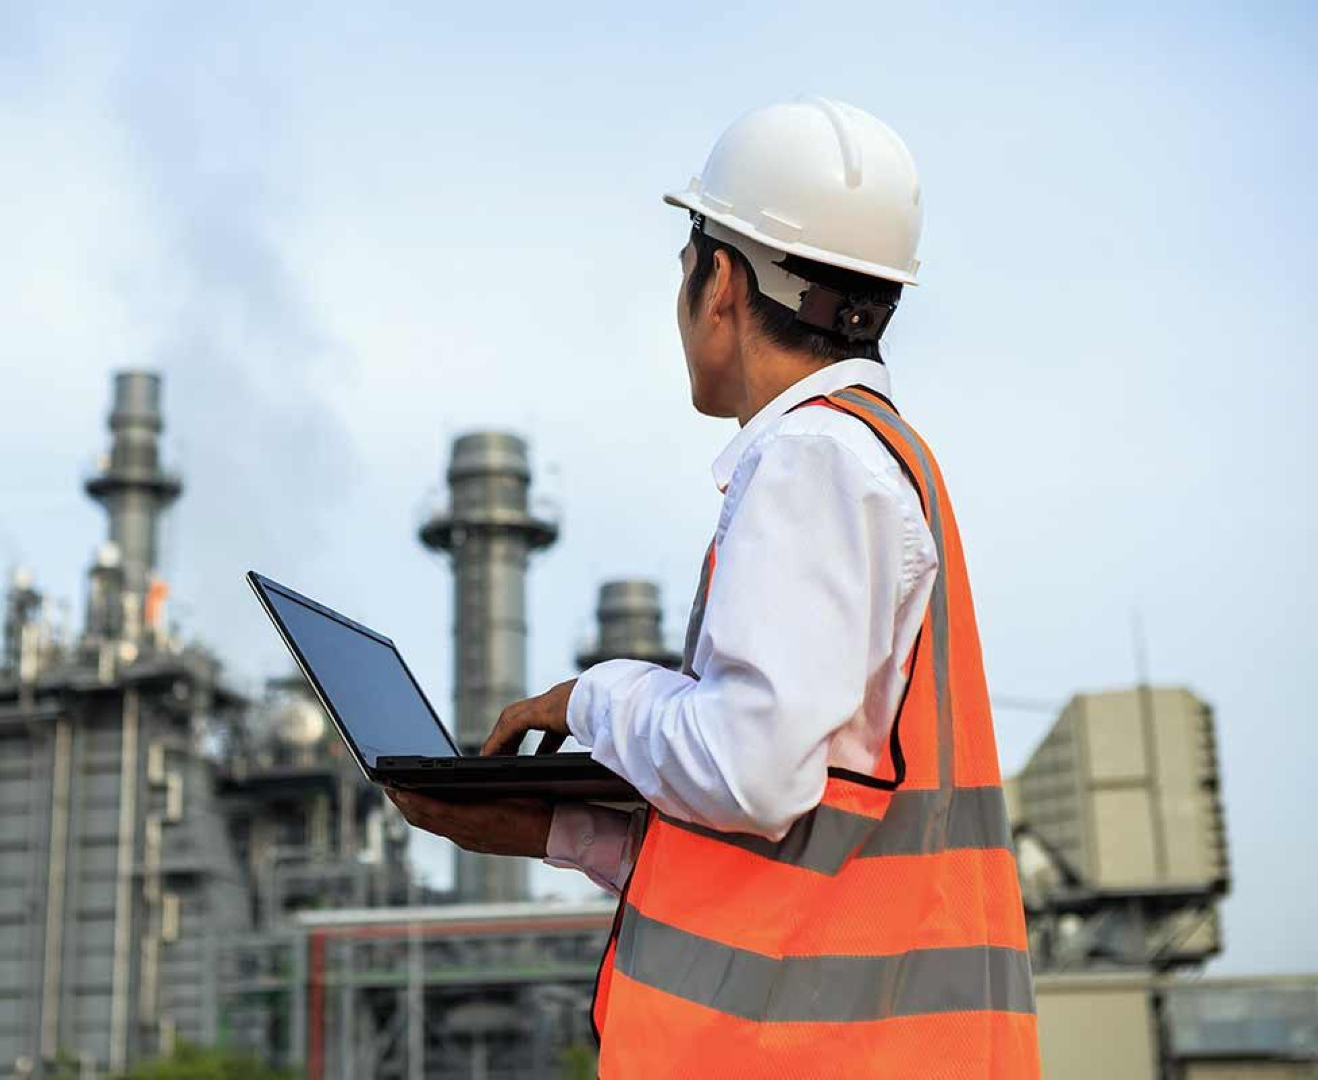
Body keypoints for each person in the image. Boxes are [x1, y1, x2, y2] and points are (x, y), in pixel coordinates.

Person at [390, 97, 1041, 1078]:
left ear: (721, 278)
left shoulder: (815, 459)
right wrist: (554, 829)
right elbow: (799, 850)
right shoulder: (876, 463)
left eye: (685, 265)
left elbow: (748, 773)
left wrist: (593, 693)